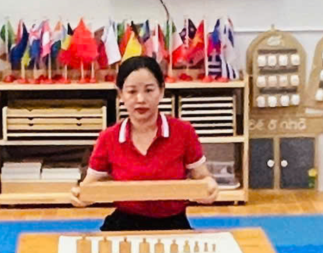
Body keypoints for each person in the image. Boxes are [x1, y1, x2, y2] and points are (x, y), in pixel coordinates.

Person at [71, 55, 217, 231]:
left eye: (149, 90)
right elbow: (90, 187)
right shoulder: (108, 138)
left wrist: (209, 187)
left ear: (161, 91)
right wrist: (80, 196)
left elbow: (202, 177)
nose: (140, 99)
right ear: (120, 94)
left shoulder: (184, 132)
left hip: (173, 223)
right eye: (132, 91)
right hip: (124, 223)